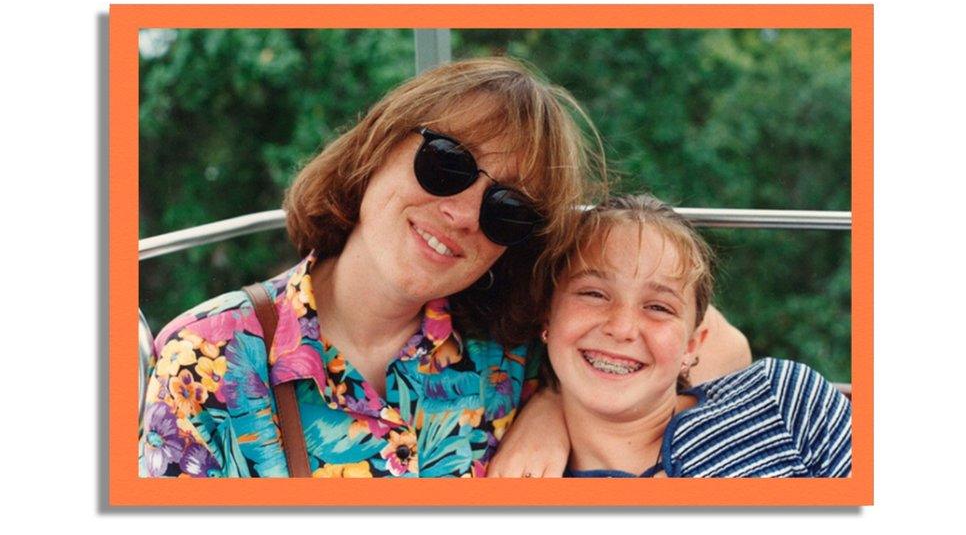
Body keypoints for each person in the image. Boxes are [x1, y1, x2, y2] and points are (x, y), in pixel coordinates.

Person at [139, 57, 749, 478]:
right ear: (378, 145)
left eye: (507, 211)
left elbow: (720, 349)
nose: (461, 213)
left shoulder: (507, 341)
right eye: (447, 164)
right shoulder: (206, 360)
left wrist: (550, 406)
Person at [541, 194, 851, 478]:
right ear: (546, 317)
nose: (621, 328)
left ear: (691, 346)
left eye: (658, 307)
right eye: (594, 294)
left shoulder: (781, 400)